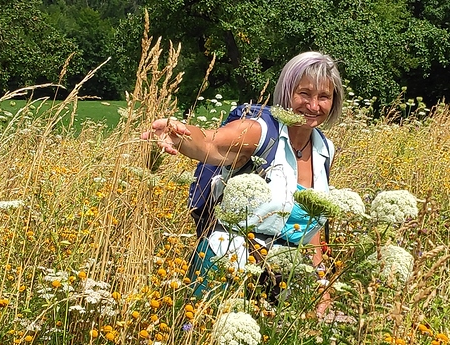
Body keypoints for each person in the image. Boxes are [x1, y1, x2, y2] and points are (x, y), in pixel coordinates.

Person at [142, 51, 343, 313]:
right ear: (286, 91)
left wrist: (321, 286)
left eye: (323, 97)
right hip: (227, 268)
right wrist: (178, 134)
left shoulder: (325, 150)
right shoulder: (260, 131)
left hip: (284, 283)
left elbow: (311, 227)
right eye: (304, 94)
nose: (313, 106)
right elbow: (210, 143)